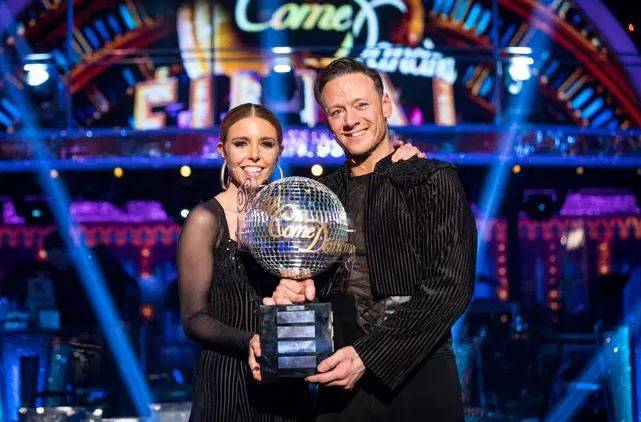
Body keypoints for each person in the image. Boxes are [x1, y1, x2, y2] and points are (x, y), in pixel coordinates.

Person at [178, 102, 427, 421]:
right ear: (222, 150)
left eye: (266, 144)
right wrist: (251, 341)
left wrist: (399, 162)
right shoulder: (205, 219)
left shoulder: (301, 214)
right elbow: (194, 319)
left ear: (279, 151)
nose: (254, 155)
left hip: (289, 382)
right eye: (241, 143)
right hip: (229, 381)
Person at [265, 58, 477, 421]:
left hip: (418, 375)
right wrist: (290, 296)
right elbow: (309, 287)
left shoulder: (431, 178)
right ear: (327, 121)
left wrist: (368, 357)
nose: (350, 120)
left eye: (361, 105)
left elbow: (451, 287)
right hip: (338, 380)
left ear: (386, 105)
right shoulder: (319, 196)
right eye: (337, 111)